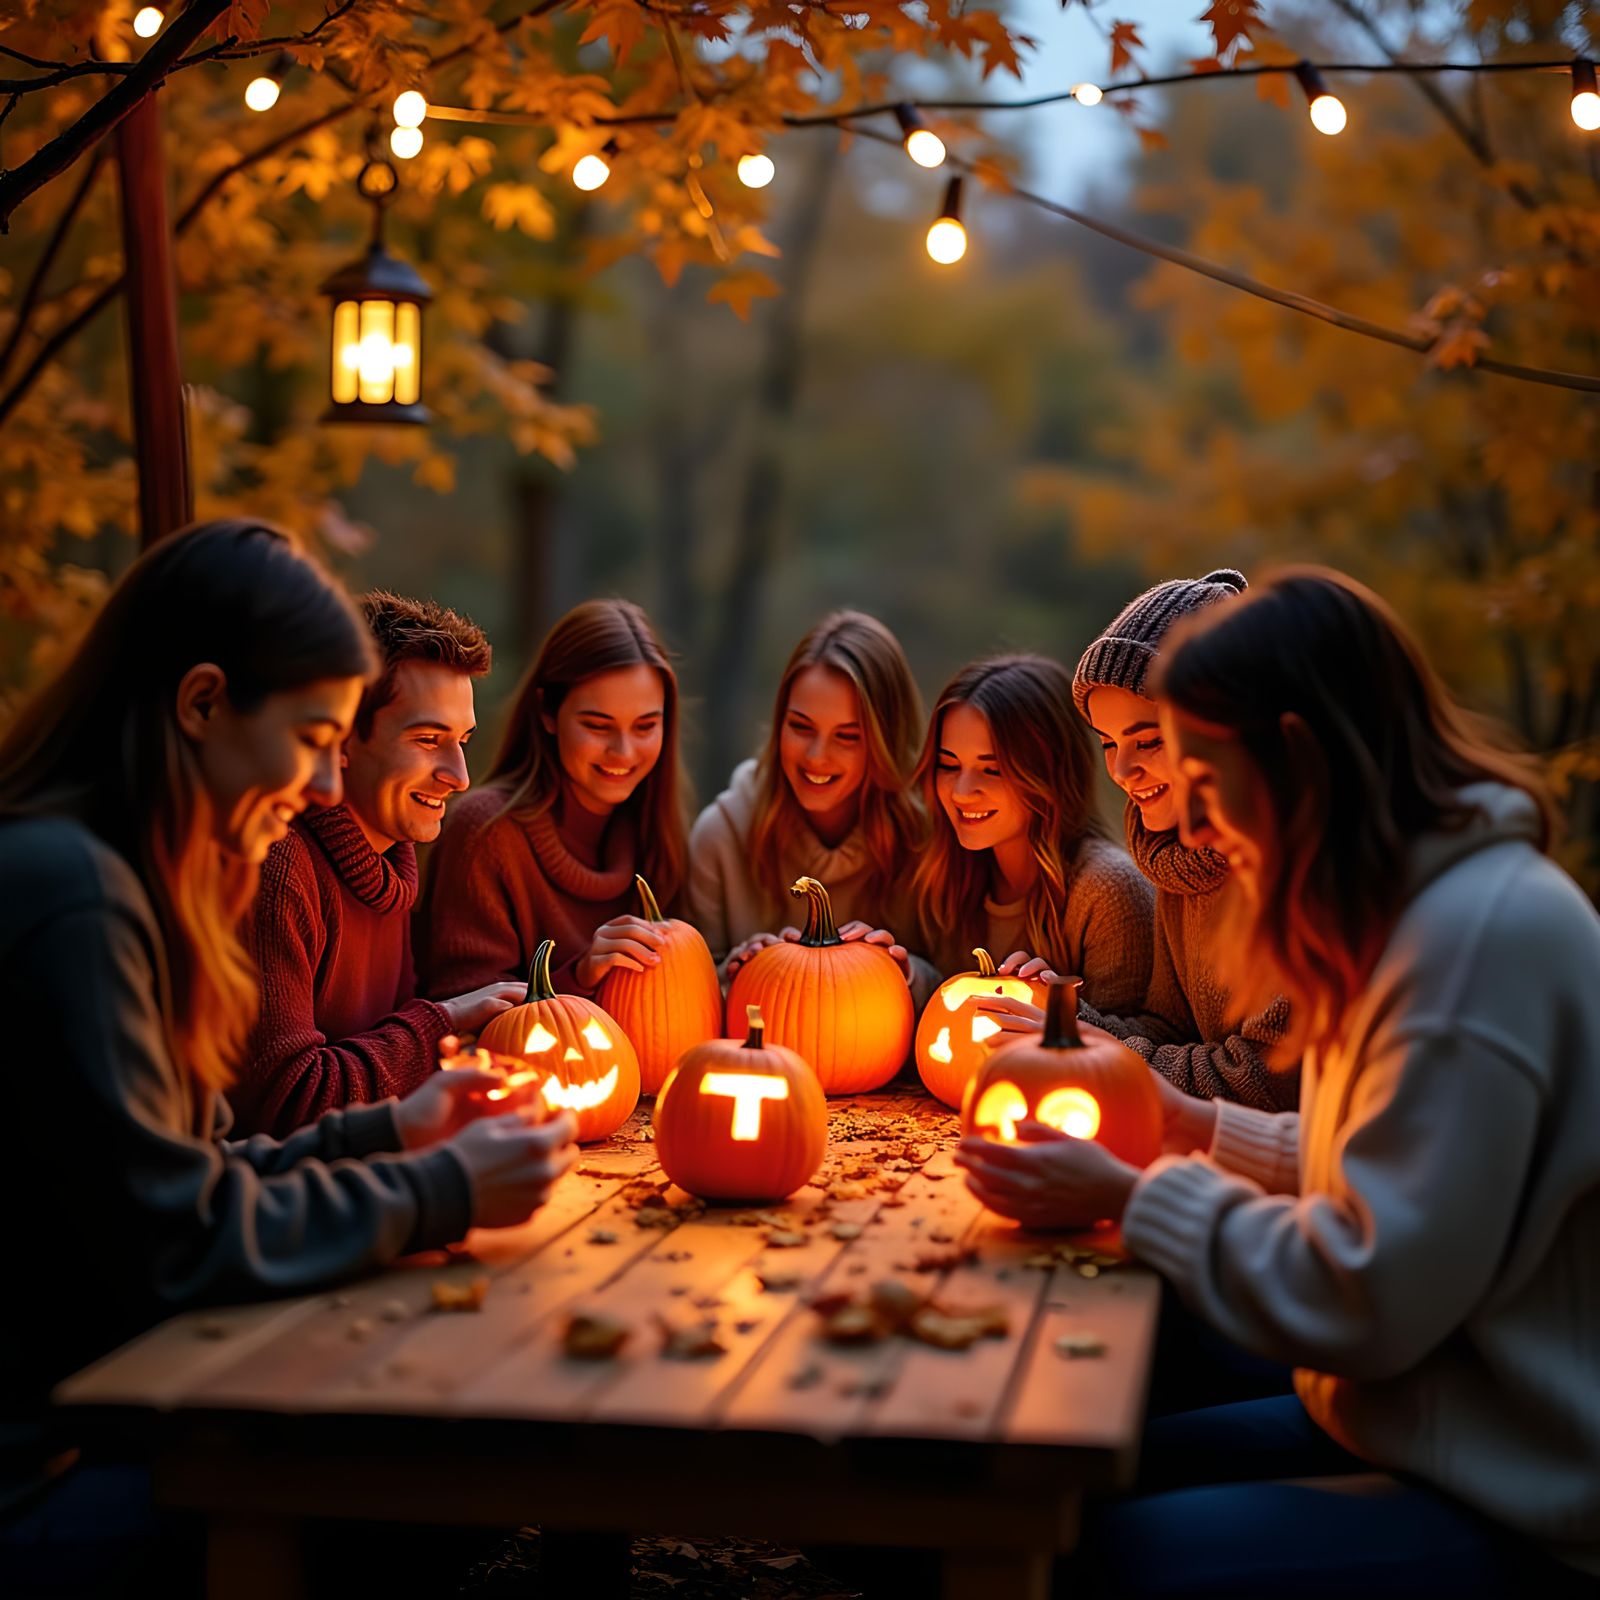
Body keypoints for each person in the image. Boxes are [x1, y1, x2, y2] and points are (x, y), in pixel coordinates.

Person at [957, 569, 1600, 1596]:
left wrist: (1131, 1194)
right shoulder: (1404, 907)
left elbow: (1367, 1289)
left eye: (1207, 781)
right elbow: (1378, 1160)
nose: (1195, 825)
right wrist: (1188, 1124)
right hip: (1412, 1408)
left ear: (1298, 751)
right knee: (1078, 1457)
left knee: (1088, 1553)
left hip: (1524, 1483)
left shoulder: (1471, 944)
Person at [0, 522, 576, 1577]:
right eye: (315, 735)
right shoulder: (72, 897)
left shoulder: (129, 881)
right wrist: (438, 1188)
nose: (323, 786)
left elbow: (193, 1176)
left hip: (114, 1418)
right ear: (203, 703)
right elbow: (177, 1241)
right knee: (441, 1488)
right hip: (44, 1478)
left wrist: (390, 1129)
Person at [234, 591, 526, 1136]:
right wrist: (443, 1019)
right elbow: (286, 1104)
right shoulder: (277, 867)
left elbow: (388, 1062)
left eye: (462, 741)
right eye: (427, 739)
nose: (459, 775)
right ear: (341, 737)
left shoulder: (389, 861)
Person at [1070, 569, 1295, 1111]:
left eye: (1147, 742)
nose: (1122, 771)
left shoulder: (1291, 867)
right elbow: (1170, 1026)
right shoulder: (1174, 860)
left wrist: (1103, 1049)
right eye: (1107, 743)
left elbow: (1266, 1084)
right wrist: (1064, 1014)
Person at [420, 598, 688, 998]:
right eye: (598, 726)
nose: (624, 752)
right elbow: (459, 1010)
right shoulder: (486, 833)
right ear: (547, 712)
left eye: (646, 726)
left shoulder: (657, 835)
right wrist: (578, 976)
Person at [687, 610, 933, 997]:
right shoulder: (720, 837)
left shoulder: (928, 839)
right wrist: (733, 975)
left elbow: (961, 979)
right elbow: (681, 995)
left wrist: (904, 971)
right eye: (801, 727)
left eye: (847, 737)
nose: (817, 757)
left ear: (885, 741)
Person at [908, 653, 1154, 1013]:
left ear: (1049, 774)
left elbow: (1132, 1053)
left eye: (991, 770)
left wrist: (1059, 1009)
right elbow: (954, 1007)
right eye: (948, 765)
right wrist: (905, 974)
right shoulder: (949, 872)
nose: (961, 791)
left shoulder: (1109, 893)